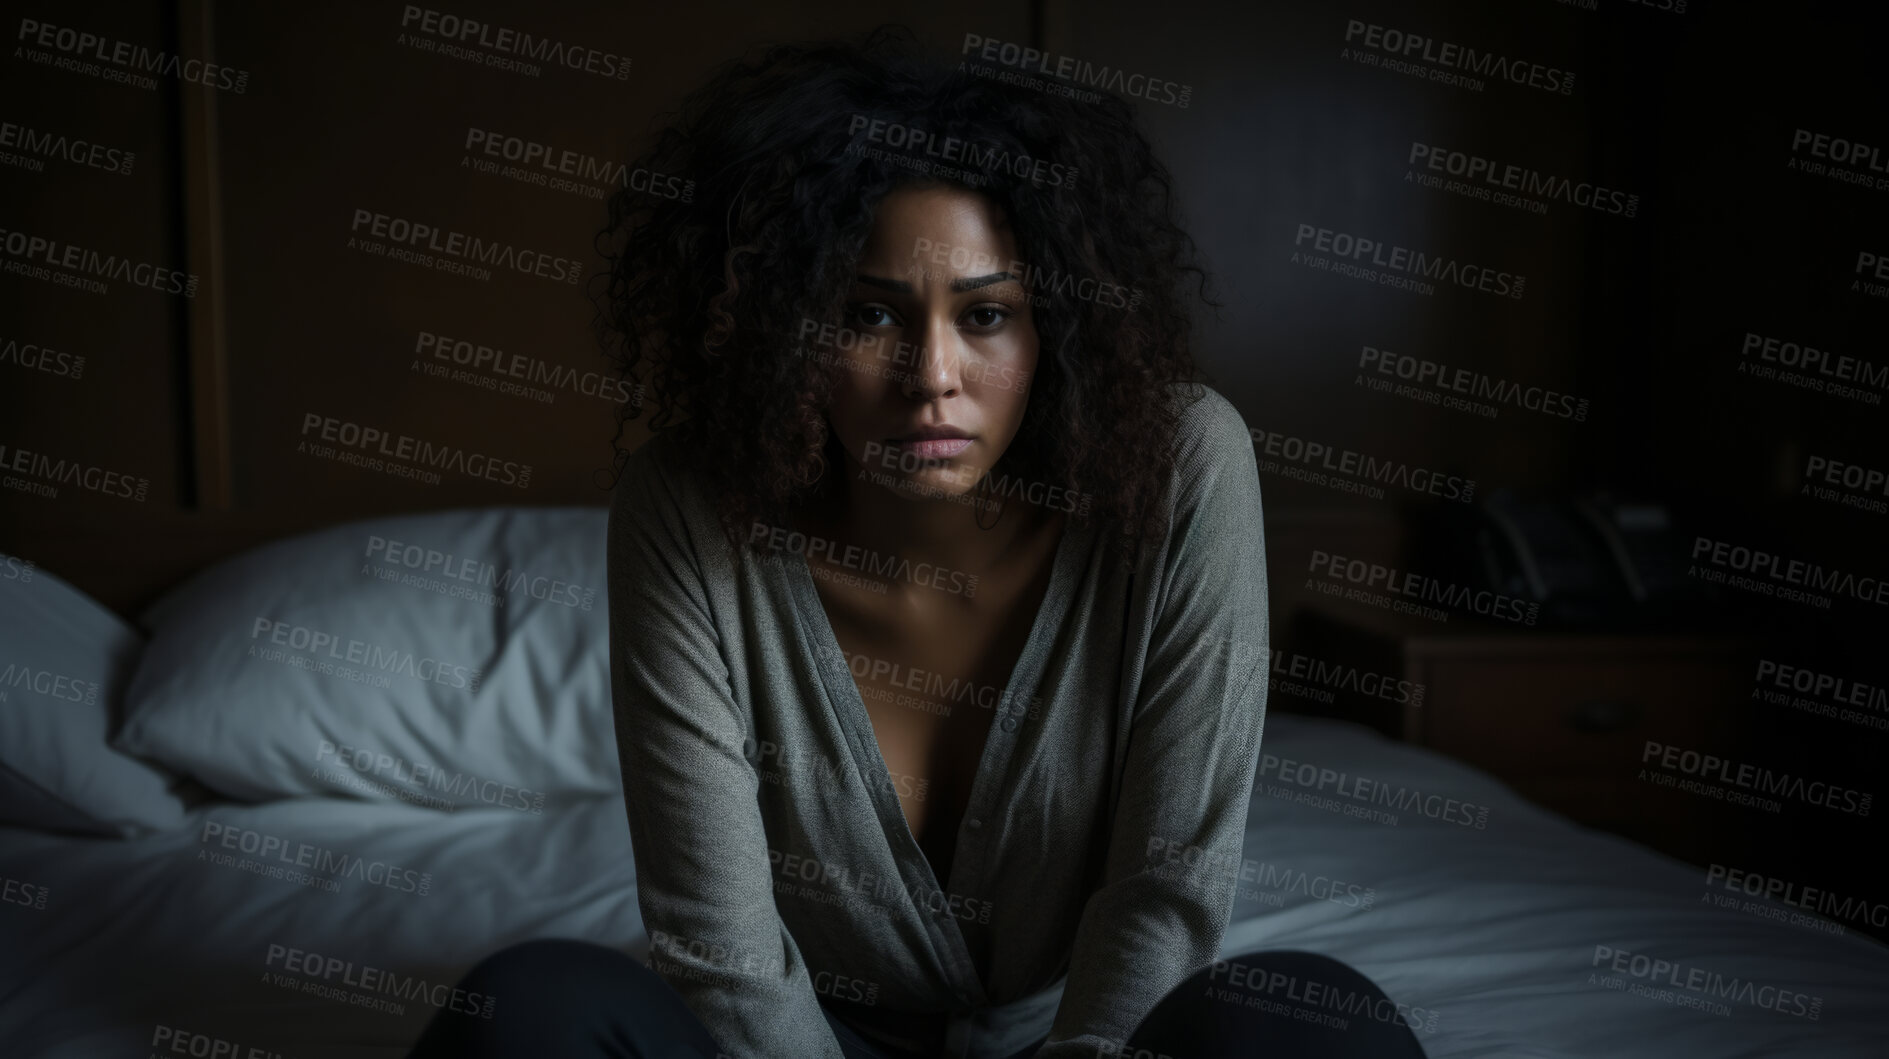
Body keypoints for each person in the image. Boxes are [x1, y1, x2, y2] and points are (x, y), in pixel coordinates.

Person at [410, 26, 1426, 1059]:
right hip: (795, 1039)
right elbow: (718, 946)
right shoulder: (685, 506)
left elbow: (1166, 887)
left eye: (985, 315)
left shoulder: (1184, 467)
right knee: (531, 1008)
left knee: (1308, 1018)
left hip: (1089, 1043)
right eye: (865, 314)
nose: (930, 374)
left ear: (1055, 330)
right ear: (778, 328)